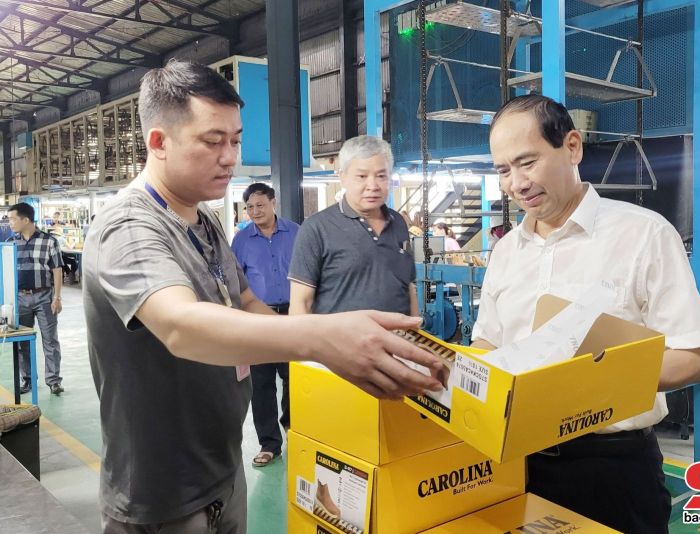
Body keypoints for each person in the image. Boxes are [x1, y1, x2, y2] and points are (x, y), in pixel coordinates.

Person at [82, 61, 445, 533]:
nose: (230, 157)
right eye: (213, 141)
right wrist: (321, 338)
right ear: (159, 142)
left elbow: (246, 299)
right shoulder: (129, 226)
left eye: (235, 140)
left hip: (221, 469)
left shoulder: (204, 220)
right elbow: (179, 325)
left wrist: (325, 349)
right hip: (163, 494)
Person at [472, 94, 700, 534]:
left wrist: (590, 384)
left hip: (611, 470)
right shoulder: (507, 250)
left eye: (527, 163)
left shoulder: (643, 234)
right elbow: (488, 341)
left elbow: (692, 357)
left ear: (572, 147)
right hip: (516, 465)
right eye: (503, 170)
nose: (516, 184)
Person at [289, 135, 418, 319]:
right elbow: (301, 304)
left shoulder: (398, 222)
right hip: (339, 338)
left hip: (398, 337)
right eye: (362, 176)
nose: (372, 186)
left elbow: (408, 286)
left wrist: (415, 328)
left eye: (381, 176)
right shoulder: (316, 229)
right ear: (342, 177)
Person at [231, 182, 298, 468]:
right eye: (250, 207)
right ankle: (269, 444)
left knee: (295, 380)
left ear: (273, 203)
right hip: (257, 322)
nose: (255, 211)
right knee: (261, 385)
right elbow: (234, 283)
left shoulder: (296, 233)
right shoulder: (241, 241)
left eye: (260, 205)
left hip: (293, 317)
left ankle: (294, 429)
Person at [7, 202, 65, 396]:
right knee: (23, 342)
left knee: (50, 340)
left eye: (12, 219)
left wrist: (57, 297)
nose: (10, 223)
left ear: (25, 220)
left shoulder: (49, 241)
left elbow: (57, 269)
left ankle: (53, 381)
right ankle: (28, 379)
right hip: (20, 299)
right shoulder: (10, 242)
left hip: (44, 297)